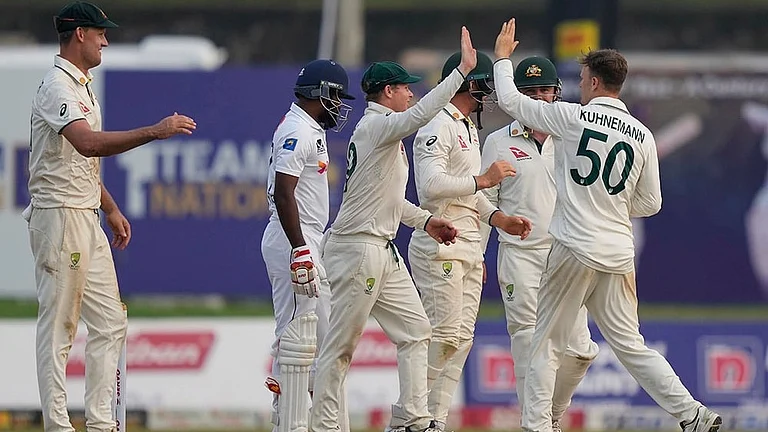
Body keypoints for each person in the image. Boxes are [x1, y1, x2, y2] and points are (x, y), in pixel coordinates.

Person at [492, 18, 722, 432]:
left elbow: (510, 99)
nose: (579, 86)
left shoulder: (571, 117)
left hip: (573, 248)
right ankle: (693, 414)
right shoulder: (643, 135)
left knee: (544, 341)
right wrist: (611, 203)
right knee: (632, 346)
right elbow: (651, 203)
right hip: (618, 252)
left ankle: (537, 426)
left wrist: (503, 59)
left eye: (582, 79)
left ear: (596, 83)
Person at [310, 27, 494, 432]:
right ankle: (322, 426)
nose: (410, 94)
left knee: (417, 331)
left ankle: (412, 419)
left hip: (382, 248)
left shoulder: (383, 133)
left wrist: (426, 221)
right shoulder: (377, 125)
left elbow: (391, 201)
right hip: (357, 248)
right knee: (340, 347)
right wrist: (461, 72)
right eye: (405, 88)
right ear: (388, 92)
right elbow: (420, 114)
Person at [25, 2, 196, 432]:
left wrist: (111, 206)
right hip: (59, 218)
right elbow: (87, 144)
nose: (106, 40)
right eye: (100, 32)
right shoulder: (56, 87)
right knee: (60, 326)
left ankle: (101, 423)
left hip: (86, 215)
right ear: (79, 34)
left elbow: (80, 162)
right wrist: (155, 131)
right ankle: (58, 426)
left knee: (110, 322)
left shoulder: (83, 86)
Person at [407, 51, 532, 432]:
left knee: (460, 340)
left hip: (469, 245)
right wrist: (485, 180)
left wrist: (498, 218)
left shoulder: (465, 126)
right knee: (443, 335)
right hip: (439, 243)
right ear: (467, 84)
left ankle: (434, 422)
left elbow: (465, 192)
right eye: (483, 85)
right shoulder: (436, 125)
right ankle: (410, 416)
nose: (488, 94)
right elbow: (429, 189)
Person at [480, 55, 598, 432]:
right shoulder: (498, 141)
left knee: (580, 352)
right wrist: (495, 226)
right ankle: (537, 426)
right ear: (518, 95)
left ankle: (551, 415)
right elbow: (482, 196)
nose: (538, 99)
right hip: (520, 257)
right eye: (529, 92)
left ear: (555, 93)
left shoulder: (573, 137)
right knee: (529, 344)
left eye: (544, 91)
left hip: (567, 257)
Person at [261, 58, 355, 432]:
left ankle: (302, 419)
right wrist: (300, 248)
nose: (339, 106)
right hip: (293, 240)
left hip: (303, 239)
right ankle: (289, 421)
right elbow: (284, 194)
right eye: (337, 97)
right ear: (322, 93)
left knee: (318, 336)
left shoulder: (308, 128)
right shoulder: (298, 130)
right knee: (298, 335)